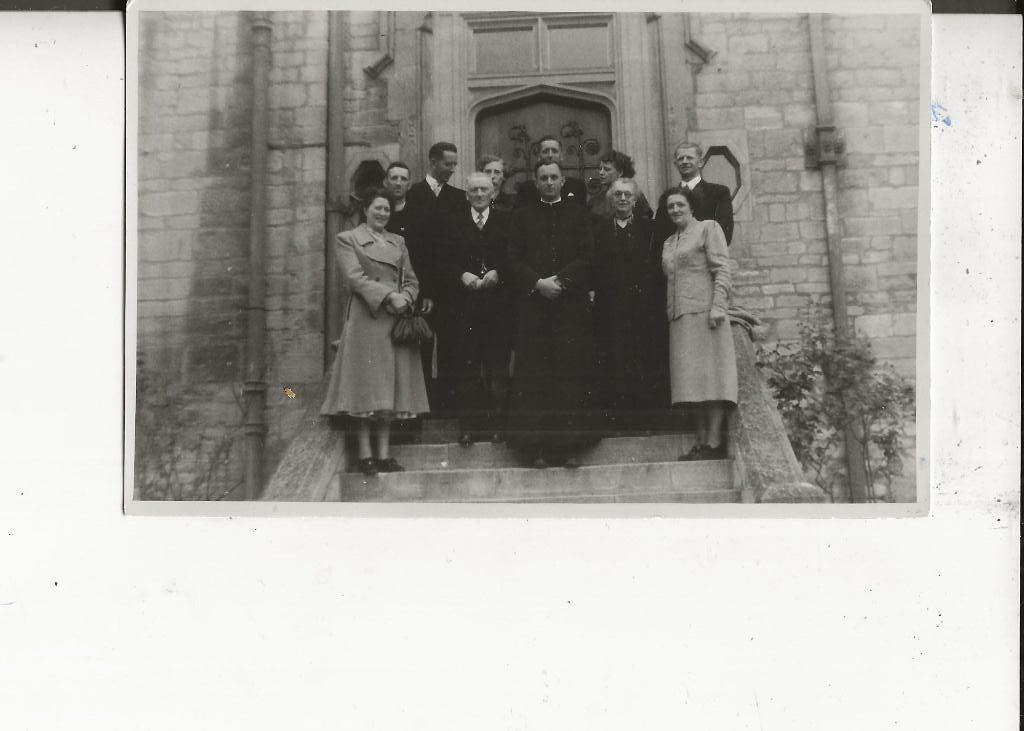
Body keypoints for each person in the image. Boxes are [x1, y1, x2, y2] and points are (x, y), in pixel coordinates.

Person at [321, 188, 430, 476]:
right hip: (367, 319)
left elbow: (412, 279)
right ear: (365, 210)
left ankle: (384, 454)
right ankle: (365, 454)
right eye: (377, 208)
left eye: (387, 209)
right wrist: (388, 295)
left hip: (395, 322)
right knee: (366, 387)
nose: (382, 213)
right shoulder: (348, 239)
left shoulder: (398, 242)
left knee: (389, 388)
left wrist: (406, 297)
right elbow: (355, 278)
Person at [506, 160, 596, 468]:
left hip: (570, 308)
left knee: (569, 376)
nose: (548, 182)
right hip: (535, 309)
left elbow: (587, 256)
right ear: (535, 182)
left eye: (553, 177)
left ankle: (570, 447)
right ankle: (538, 449)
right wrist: (538, 283)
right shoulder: (522, 216)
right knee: (536, 379)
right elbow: (512, 259)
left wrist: (561, 281)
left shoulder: (579, 214)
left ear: (562, 181)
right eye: (543, 178)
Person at [661, 187, 737, 460]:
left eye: (680, 204)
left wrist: (718, 306)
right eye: (670, 206)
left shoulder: (708, 228)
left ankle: (714, 442)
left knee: (711, 378)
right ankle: (701, 441)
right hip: (680, 318)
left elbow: (722, 268)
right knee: (690, 383)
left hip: (706, 314)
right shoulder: (669, 242)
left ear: (691, 206)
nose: (675, 210)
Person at [441, 172, 514, 445]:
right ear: (467, 194)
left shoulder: (506, 220)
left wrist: (499, 272)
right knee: (466, 366)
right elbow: (442, 259)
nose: (480, 194)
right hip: (464, 306)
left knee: (497, 366)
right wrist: (461, 275)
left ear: (493, 193)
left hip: (499, 306)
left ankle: (498, 425)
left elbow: (515, 255)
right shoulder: (452, 222)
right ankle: (469, 426)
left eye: (484, 189)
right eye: (474, 190)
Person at [591, 178, 668, 432]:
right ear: (610, 200)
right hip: (611, 307)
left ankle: (645, 419)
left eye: (627, 195)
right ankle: (618, 419)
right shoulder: (599, 230)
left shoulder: (649, 229)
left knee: (643, 359)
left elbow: (657, 267)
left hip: (643, 307)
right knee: (614, 359)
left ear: (635, 200)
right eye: (618, 195)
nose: (622, 199)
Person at [405, 142, 466, 410]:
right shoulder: (414, 195)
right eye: (447, 164)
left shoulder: (458, 197)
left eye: (454, 164)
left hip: (452, 287)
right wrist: (425, 290)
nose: (452, 169)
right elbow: (414, 246)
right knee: (422, 347)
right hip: (423, 288)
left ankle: (448, 405)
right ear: (432, 162)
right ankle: (422, 407)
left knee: (452, 345)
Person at [653, 141, 735, 246]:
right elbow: (659, 235)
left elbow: (724, 233)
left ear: (701, 162)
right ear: (675, 164)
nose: (684, 161)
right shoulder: (667, 196)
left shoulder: (719, 193)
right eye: (680, 159)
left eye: (689, 158)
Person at [514, 135, 587, 207]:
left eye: (554, 151)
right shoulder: (526, 189)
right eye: (545, 151)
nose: (550, 155)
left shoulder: (577, 186)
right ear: (539, 157)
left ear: (561, 156)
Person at [587, 150, 653, 222]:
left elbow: (645, 219)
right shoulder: (596, 200)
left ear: (620, 172)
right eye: (600, 169)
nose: (601, 172)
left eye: (607, 169)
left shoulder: (635, 196)